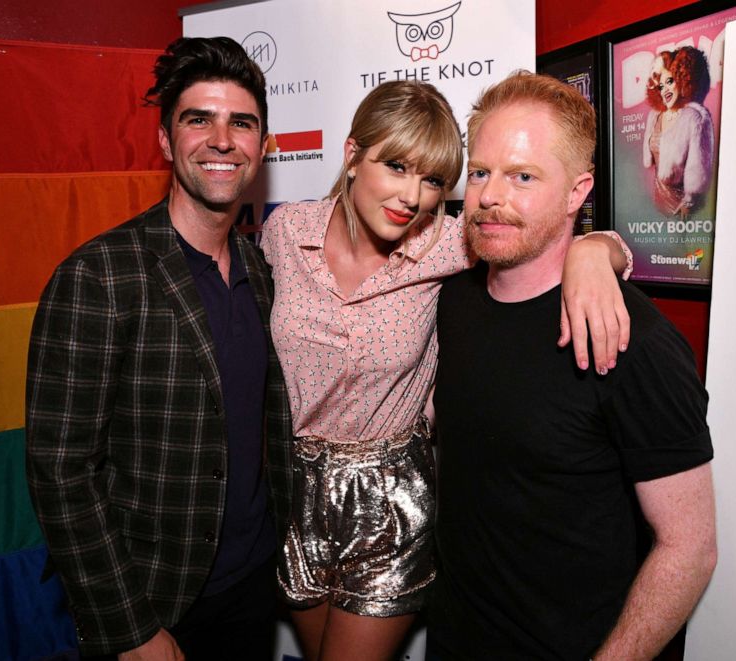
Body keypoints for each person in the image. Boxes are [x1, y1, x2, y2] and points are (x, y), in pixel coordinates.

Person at [260, 80, 634, 661]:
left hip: (388, 498)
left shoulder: (450, 244)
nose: (412, 196)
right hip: (290, 491)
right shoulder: (285, 234)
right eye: (398, 166)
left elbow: (545, 242)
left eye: (433, 180)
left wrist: (597, 252)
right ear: (353, 154)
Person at [428, 71, 717, 660]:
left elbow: (688, 548)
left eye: (523, 177)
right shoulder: (451, 302)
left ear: (577, 192)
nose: (489, 197)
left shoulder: (633, 340)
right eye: (480, 172)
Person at [25, 37, 292, 660]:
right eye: (199, 119)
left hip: (255, 590)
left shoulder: (266, 271)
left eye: (242, 123)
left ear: (263, 146)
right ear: (168, 142)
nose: (223, 140)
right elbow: (59, 471)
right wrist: (131, 628)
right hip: (153, 603)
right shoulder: (100, 275)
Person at [642, 46, 715, 218]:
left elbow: (699, 167)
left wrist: (689, 201)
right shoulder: (654, 117)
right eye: (661, 86)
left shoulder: (694, 118)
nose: (665, 90)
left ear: (682, 81)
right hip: (657, 202)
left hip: (681, 208)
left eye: (670, 82)